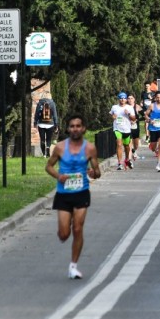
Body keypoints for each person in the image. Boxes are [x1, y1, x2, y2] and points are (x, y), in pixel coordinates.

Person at [46, 113, 100, 279]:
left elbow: (97, 172)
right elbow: (49, 166)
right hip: (63, 193)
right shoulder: (60, 147)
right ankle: (65, 227)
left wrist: (93, 172)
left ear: (83, 128)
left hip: (81, 192)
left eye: (78, 126)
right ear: (68, 129)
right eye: (72, 126)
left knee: (78, 228)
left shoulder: (90, 148)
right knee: (64, 234)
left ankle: (73, 266)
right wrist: (58, 176)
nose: (75, 129)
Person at [109, 92, 135, 170]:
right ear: (118, 99)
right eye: (121, 98)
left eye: (124, 98)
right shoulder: (114, 107)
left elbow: (133, 118)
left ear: (126, 99)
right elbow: (111, 115)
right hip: (117, 128)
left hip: (126, 129)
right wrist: (112, 117)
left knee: (127, 146)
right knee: (119, 144)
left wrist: (129, 114)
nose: (122, 100)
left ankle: (127, 159)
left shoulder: (129, 107)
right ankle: (119, 163)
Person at [33, 93, 59, 157]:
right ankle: (47, 151)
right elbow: (55, 115)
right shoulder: (52, 103)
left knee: (42, 139)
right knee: (48, 138)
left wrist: (35, 123)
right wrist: (56, 125)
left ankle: (44, 154)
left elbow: (36, 114)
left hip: (41, 124)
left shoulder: (40, 103)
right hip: (50, 124)